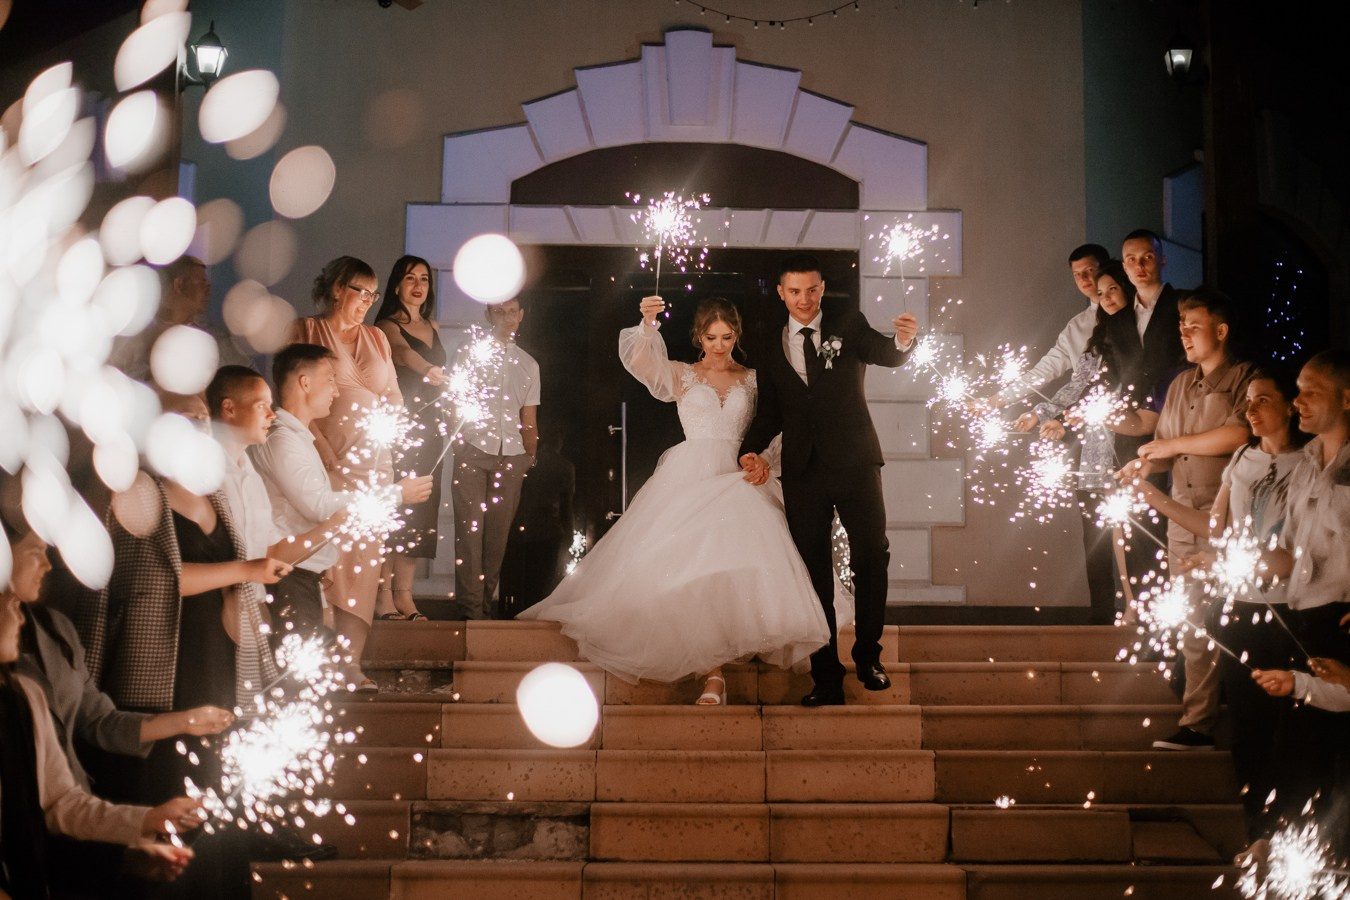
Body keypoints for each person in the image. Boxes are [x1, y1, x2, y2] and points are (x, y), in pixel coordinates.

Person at [521, 296, 828, 703]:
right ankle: (713, 673)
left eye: (727, 337)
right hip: (690, 477)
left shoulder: (754, 379)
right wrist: (648, 324)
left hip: (737, 476)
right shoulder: (683, 374)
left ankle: (732, 650)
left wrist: (767, 461)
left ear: (737, 335)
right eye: (711, 337)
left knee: (732, 567)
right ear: (698, 337)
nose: (719, 345)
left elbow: (778, 425)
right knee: (690, 570)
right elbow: (640, 361)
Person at [1129, 367, 1307, 841]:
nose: (1251, 409)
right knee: (1248, 731)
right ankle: (1259, 835)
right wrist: (1149, 496)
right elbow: (1215, 528)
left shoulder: (1310, 464)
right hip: (1240, 608)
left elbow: (1299, 553)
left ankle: (1295, 832)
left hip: (1292, 611)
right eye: (1248, 401)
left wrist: (1228, 559)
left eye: (1263, 400)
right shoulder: (1244, 458)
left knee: (1291, 730)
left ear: (1291, 406)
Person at [738, 253, 919, 707]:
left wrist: (903, 340)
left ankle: (869, 656)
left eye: (812, 290)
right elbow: (771, 411)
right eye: (795, 291)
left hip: (855, 462)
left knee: (872, 554)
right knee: (811, 570)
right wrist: (750, 449)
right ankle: (826, 676)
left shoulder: (848, 323)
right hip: (802, 470)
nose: (805, 299)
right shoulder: (769, 342)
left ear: (822, 289)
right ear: (781, 293)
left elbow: (885, 353)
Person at [2, 514, 202, 898]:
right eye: (35, 552)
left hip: (56, 849)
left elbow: (62, 798)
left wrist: (147, 820)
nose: (49, 564)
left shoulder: (35, 675)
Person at [1118, 289, 1255, 750]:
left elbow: (1239, 434)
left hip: (1229, 514)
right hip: (1181, 516)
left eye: (1194, 326)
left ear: (1221, 330)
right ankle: (1198, 723)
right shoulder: (1179, 384)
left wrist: (1172, 447)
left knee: (1236, 617)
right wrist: (1142, 466)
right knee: (1194, 623)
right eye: (1181, 327)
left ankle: (1252, 717)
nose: (1185, 334)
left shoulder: (1247, 379)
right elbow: (1163, 448)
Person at [288, 257, 431, 688]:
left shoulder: (377, 338)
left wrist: (396, 420)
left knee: (364, 564)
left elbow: (392, 394)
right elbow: (289, 397)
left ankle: (351, 662)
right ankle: (318, 662)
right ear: (336, 289)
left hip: (374, 466)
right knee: (326, 557)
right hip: (324, 462)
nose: (368, 301)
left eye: (373, 294)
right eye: (360, 291)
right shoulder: (305, 330)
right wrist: (322, 447)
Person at [251, 345, 428, 655]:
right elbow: (318, 506)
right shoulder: (283, 441)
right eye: (330, 379)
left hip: (301, 576)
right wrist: (396, 494)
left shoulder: (298, 439)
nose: (336, 391)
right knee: (294, 674)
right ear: (305, 383)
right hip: (287, 577)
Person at [1025, 260, 1136, 623]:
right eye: (1100, 293)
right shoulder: (1095, 337)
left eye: (1112, 289)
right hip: (1095, 446)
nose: (1105, 298)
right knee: (1097, 531)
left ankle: (1137, 604)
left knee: (1130, 526)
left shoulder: (1143, 332)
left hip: (1132, 439)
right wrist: (1045, 414)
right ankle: (1102, 613)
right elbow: (1079, 386)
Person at [450, 297, 540, 620]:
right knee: (469, 534)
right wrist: (459, 443)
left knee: (497, 538)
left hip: (512, 455)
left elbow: (529, 417)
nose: (507, 317)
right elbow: (455, 401)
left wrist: (530, 455)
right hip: (473, 450)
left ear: (521, 315)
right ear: (489, 315)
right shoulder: (469, 354)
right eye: (499, 311)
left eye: (512, 311)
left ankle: (484, 610)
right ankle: (470, 611)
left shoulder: (529, 365)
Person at [374, 255, 449, 620]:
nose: (418, 285)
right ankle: (383, 595)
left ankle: (405, 595)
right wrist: (429, 368)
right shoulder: (386, 326)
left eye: (424, 279)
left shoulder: (433, 325)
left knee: (421, 511)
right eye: (410, 278)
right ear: (396, 285)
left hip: (433, 428)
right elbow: (403, 355)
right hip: (402, 425)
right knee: (397, 509)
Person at [986, 243, 1111, 411]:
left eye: (1089, 270)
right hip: (1090, 413)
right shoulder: (1076, 327)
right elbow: (1045, 370)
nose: (1083, 278)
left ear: (1105, 268)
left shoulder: (1133, 312)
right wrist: (995, 401)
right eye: (1076, 274)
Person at [108, 255, 250, 386]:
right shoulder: (138, 338)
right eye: (202, 282)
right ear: (179, 285)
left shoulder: (217, 342)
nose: (208, 289)